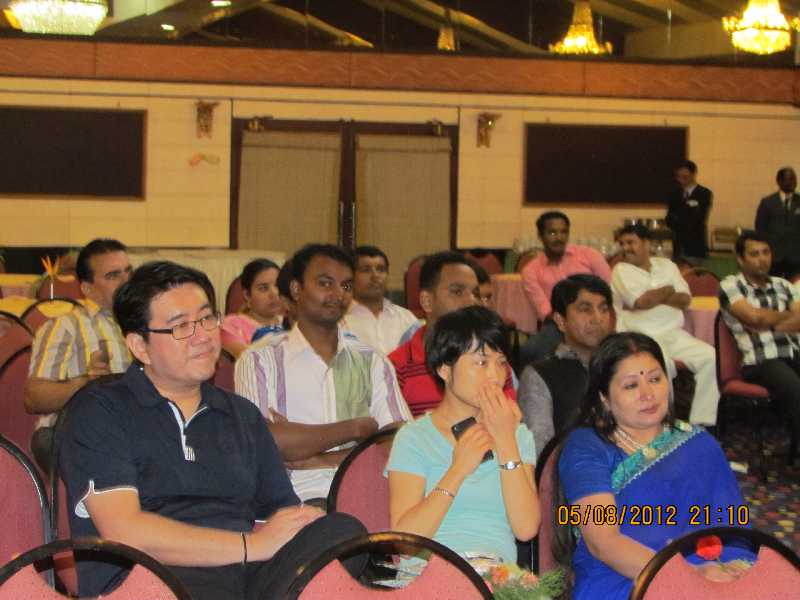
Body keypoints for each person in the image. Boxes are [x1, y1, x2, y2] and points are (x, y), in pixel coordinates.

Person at [58, 260, 365, 600]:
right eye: (181, 326)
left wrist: (302, 521)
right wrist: (250, 545)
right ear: (140, 346)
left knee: (342, 533)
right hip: (150, 576)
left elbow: (280, 516)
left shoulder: (241, 416)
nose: (202, 336)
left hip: (246, 573)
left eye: (206, 319)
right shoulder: (100, 410)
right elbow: (125, 531)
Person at [557, 332, 752, 600]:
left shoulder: (699, 444)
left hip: (708, 565)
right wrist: (688, 577)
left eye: (655, 379)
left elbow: (732, 528)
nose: (647, 394)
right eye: (631, 385)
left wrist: (730, 568)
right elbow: (603, 543)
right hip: (623, 577)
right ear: (604, 397)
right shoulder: (587, 447)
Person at [235, 244, 411, 504]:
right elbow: (265, 443)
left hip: (365, 497)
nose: (338, 294)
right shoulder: (259, 361)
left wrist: (320, 458)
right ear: (296, 289)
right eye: (325, 283)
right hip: (291, 502)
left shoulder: (372, 361)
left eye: (346, 285)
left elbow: (399, 443)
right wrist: (357, 428)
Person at [386, 305, 539, 565]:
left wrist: (505, 441)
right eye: (481, 362)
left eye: (501, 362)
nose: (495, 375)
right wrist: (457, 471)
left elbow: (526, 528)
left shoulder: (517, 434)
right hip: (430, 574)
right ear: (444, 370)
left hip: (496, 575)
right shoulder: (414, 437)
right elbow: (404, 543)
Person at [24, 238, 133, 474]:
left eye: (128, 272)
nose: (127, 282)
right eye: (113, 276)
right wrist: (86, 383)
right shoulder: (66, 326)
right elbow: (34, 398)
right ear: (87, 288)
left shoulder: (146, 325)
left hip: (135, 430)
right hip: (73, 433)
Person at [611, 224, 719, 427]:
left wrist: (655, 295)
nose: (625, 248)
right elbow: (641, 302)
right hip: (640, 338)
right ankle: (662, 423)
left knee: (711, 357)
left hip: (674, 333)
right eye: (622, 244)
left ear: (646, 244)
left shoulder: (667, 265)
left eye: (631, 242)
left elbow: (685, 300)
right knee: (660, 365)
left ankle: (702, 423)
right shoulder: (621, 270)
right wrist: (669, 290)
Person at [388, 251, 516, 417]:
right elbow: (396, 431)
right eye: (457, 292)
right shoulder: (397, 367)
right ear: (427, 301)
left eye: (475, 294)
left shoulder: (494, 362)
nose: (471, 301)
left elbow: (508, 420)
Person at [719, 230, 800, 441]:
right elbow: (753, 317)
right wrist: (786, 316)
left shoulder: (783, 285)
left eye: (766, 252)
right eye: (754, 254)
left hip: (794, 353)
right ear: (740, 259)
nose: (762, 259)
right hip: (761, 361)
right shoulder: (731, 285)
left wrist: (767, 320)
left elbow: (797, 320)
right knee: (794, 388)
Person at [518, 274, 613, 453]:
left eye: (604, 309)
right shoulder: (541, 375)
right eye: (585, 310)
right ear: (561, 321)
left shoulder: (623, 364)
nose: (597, 318)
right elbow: (540, 451)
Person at [520, 211, 611, 364]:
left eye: (564, 232)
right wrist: (573, 321)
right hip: (558, 323)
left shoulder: (590, 256)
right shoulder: (531, 271)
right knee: (531, 350)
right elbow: (545, 312)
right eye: (552, 233)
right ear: (540, 236)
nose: (559, 238)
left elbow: (609, 290)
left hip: (596, 315)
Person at [342, 245, 420, 355]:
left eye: (380, 269)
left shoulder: (406, 318)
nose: (375, 276)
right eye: (366, 270)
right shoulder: (338, 320)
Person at [221, 259, 284, 358]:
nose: (274, 293)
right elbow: (250, 359)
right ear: (247, 295)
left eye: (278, 285)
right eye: (263, 288)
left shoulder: (293, 324)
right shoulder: (231, 325)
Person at [755, 167, 800, 279]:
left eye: (794, 179)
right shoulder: (767, 202)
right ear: (779, 181)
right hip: (774, 256)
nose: (793, 182)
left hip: (796, 257)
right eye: (789, 179)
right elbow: (760, 229)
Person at [665, 159, 713, 262]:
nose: (681, 180)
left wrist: (679, 218)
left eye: (685, 177)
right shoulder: (674, 194)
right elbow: (669, 219)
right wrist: (684, 215)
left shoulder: (704, 193)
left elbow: (699, 219)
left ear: (693, 174)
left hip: (695, 246)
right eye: (678, 177)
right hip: (678, 246)